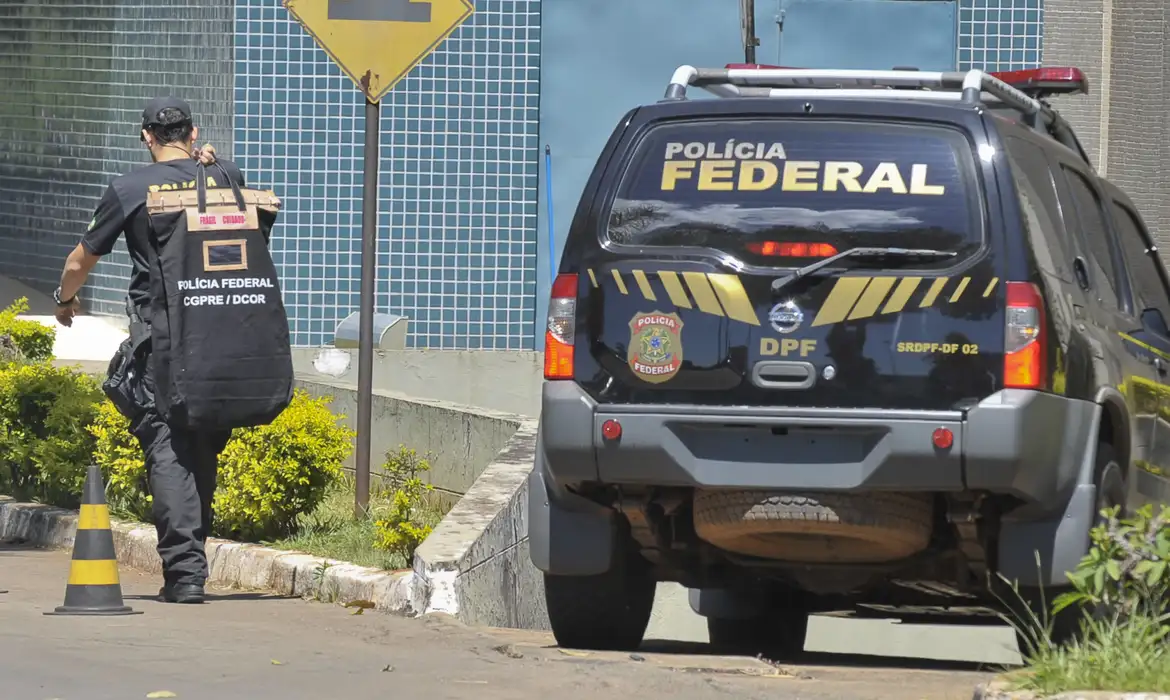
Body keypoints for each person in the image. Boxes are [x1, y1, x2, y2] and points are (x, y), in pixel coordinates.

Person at [53, 97, 245, 604]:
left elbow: (80, 260)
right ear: (194, 131)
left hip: (162, 336)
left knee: (167, 441)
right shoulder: (224, 176)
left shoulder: (130, 189)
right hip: (221, 330)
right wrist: (214, 166)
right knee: (200, 442)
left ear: (147, 137)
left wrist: (64, 301)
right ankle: (190, 561)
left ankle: (184, 575)